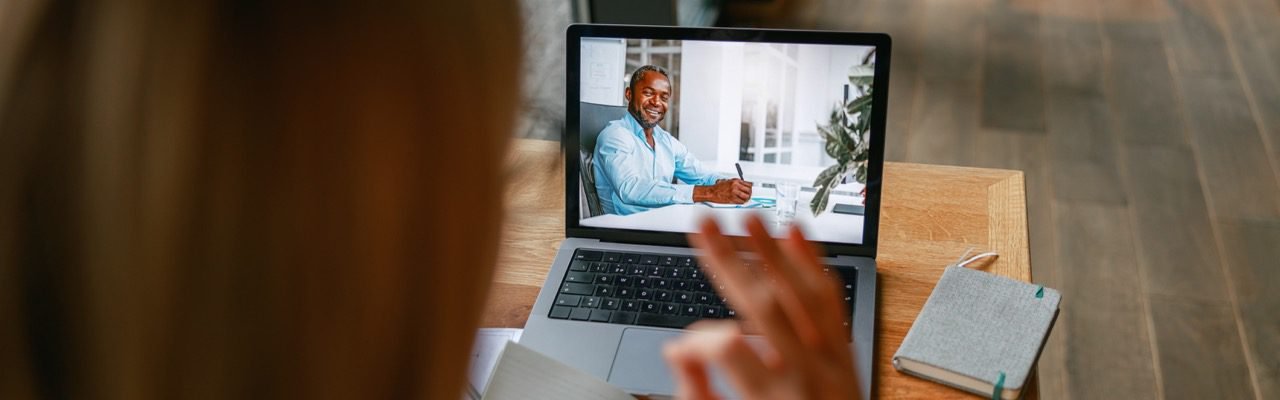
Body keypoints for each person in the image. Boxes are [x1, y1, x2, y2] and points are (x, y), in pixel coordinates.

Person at [0, 2, 860, 399]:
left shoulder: (666, 138)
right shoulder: (614, 143)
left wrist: (716, 180)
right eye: (491, 177)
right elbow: (637, 194)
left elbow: (682, 168)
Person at [593, 65, 754, 216]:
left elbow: (700, 174)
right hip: (625, 230)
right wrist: (711, 192)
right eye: (648, 93)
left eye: (664, 97)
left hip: (664, 220)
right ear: (629, 94)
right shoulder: (615, 135)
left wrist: (726, 184)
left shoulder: (665, 140)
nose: (657, 102)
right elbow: (631, 189)